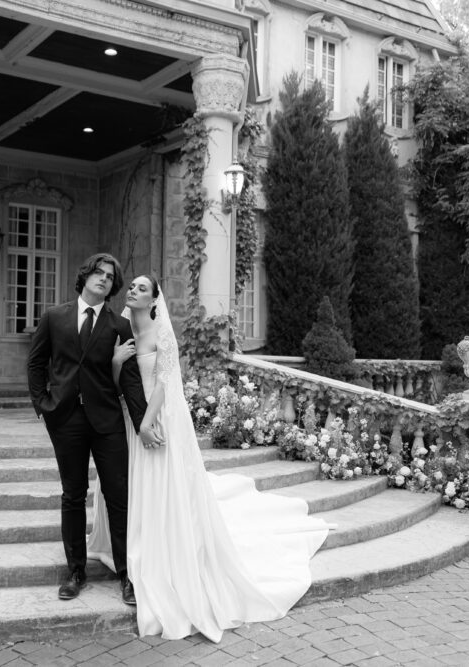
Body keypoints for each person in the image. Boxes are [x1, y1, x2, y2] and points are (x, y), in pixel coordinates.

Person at [88, 275, 332, 642]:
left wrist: (147, 423)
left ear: (154, 300)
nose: (133, 291)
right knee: (126, 485)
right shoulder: (122, 331)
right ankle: (126, 548)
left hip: (157, 417)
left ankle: (157, 552)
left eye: (142, 288)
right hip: (128, 417)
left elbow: (165, 383)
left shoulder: (160, 333)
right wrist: (117, 363)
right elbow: (115, 382)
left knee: (157, 483)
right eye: (132, 287)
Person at [26, 253, 159, 605]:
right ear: (85, 276)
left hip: (107, 421)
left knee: (118, 496)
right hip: (65, 419)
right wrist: (43, 405)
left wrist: (144, 423)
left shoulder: (119, 325)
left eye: (109, 276)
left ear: (113, 286)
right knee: (73, 495)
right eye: (98, 272)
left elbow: (130, 380)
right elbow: (36, 363)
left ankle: (127, 574)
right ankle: (75, 571)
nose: (102, 279)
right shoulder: (54, 317)